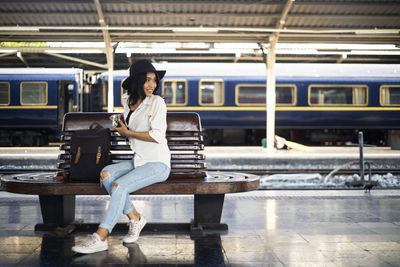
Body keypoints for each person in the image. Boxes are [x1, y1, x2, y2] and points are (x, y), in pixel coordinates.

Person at [72, 59, 171, 254]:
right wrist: (119, 123)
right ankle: (135, 217)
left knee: (119, 186)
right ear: (137, 82)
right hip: (139, 160)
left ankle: (101, 236)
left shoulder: (157, 103)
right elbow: (131, 124)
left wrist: (128, 133)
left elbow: (157, 136)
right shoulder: (127, 100)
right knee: (106, 174)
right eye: (147, 80)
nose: (152, 85)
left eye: (154, 80)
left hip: (158, 163)